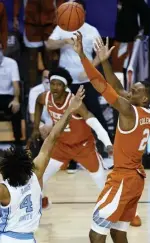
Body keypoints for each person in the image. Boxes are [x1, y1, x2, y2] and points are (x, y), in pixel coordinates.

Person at [72, 32, 150, 242]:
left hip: (123, 178)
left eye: (134, 91)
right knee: (118, 233)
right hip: (136, 178)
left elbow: (99, 83)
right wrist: (105, 62)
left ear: (143, 98)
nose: (128, 92)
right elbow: (117, 88)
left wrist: (83, 55)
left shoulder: (128, 111)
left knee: (95, 233)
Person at [0, 86, 85, 243]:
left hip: (6, 238)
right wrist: (69, 110)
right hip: (28, 239)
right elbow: (52, 137)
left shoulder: (2, 190)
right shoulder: (36, 175)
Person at [30, 67, 113, 209]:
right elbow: (38, 104)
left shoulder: (75, 103)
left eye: (59, 84)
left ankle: (114, 207)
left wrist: (107, 143)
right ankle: (42, 200)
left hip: (83, 146)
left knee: (101, 180)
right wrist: (36, 127)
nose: (55, 87)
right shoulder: (45, 97)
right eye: (52, 83)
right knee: (37, 174)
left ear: (65, 86)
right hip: (61, 146)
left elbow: (93, 121)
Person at [46, 0, 110, 172]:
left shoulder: (91, 30)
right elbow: (48, 44)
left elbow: (101, 53)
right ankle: (70, 160)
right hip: (65, 83)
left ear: (83, 13)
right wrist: (64, 41)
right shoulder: (61, 28)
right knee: (68, 120)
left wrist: (90, 68)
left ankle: (105, 153)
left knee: (95, 114)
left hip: (86, 81)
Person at [28, 69, 53, 140]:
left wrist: (52, 125)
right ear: (41, 78)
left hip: (57, 121)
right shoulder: (34, 91)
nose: (47, 80)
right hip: (40, 121)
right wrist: (41, 126)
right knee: (42, 131)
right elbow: (32, 116)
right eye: (45, 77)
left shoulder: (65, 90)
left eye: (50, 78)